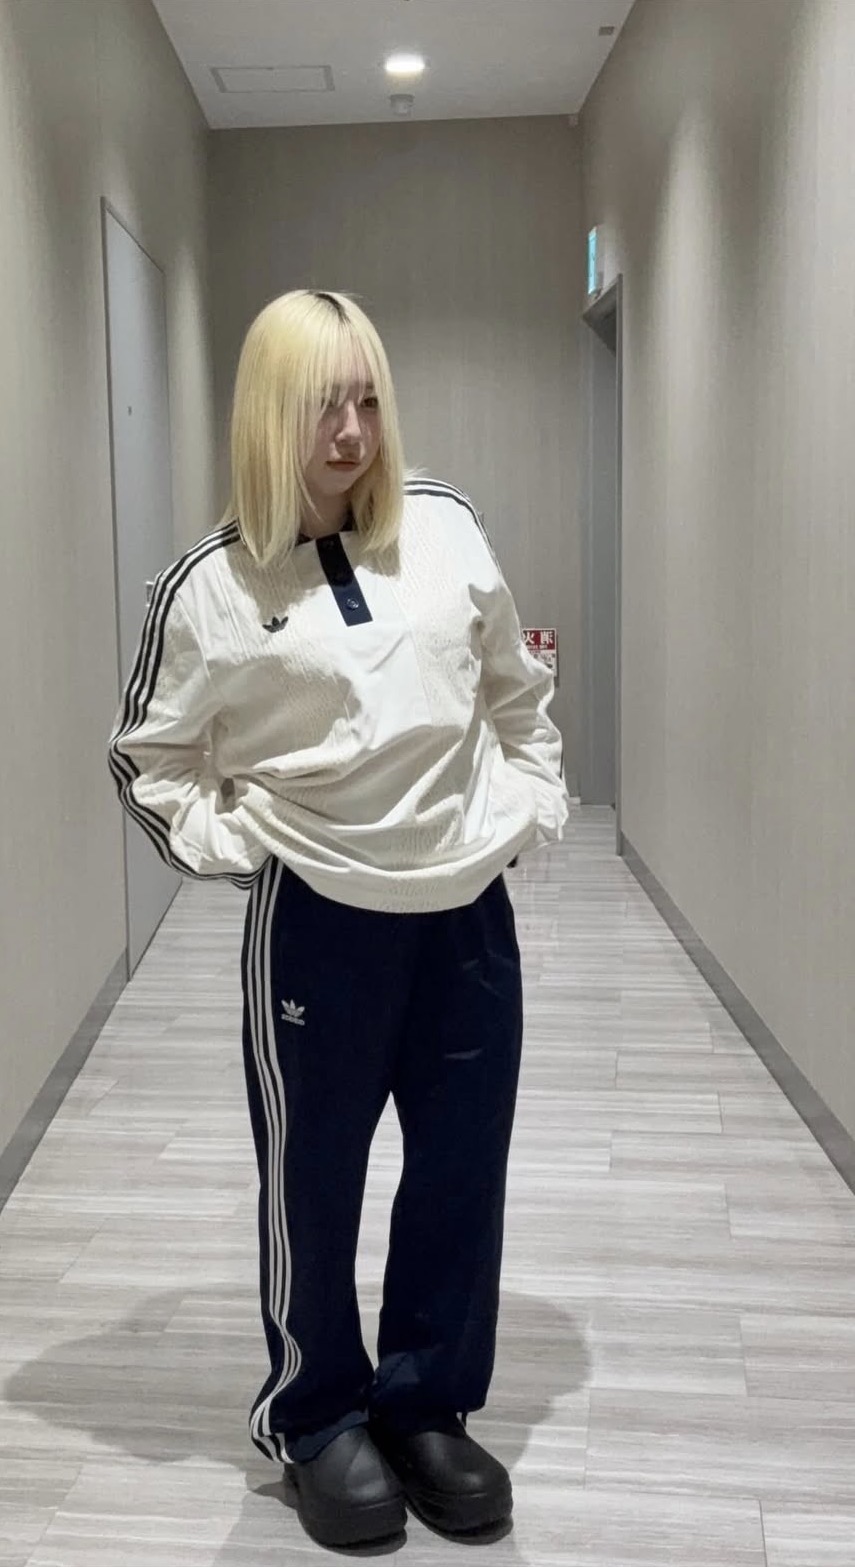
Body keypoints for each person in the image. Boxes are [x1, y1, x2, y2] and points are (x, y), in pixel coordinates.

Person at [108, 288, 569, 1550]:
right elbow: (148, 760)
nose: (354, 432)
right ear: (269, 411)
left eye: (369, 399)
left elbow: (516, 689)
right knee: (313, 1180)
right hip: (318, 926)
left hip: (467, 920)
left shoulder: (446, 527)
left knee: (462, 1167)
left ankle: (427, 1401)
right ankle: (316, 1415)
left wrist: (530, 802)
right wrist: (246, 842)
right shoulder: (208, 587)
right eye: (324, 405)